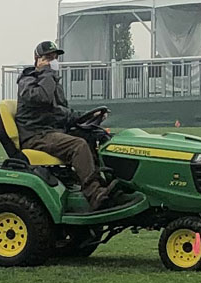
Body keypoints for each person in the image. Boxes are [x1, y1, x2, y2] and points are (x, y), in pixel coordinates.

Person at [15, 40, 132, 212]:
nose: (53, 61)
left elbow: (61, 112)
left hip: (52, 131)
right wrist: (47, 73)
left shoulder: (51, 82)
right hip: (36, 134)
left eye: (55, 57)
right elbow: (42, 98)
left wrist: (86, 117)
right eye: (48, 58)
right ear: (37, 60)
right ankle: (94, 194)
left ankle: (108, 185)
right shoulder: (27, 81)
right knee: (78, 145)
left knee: (95, 136)